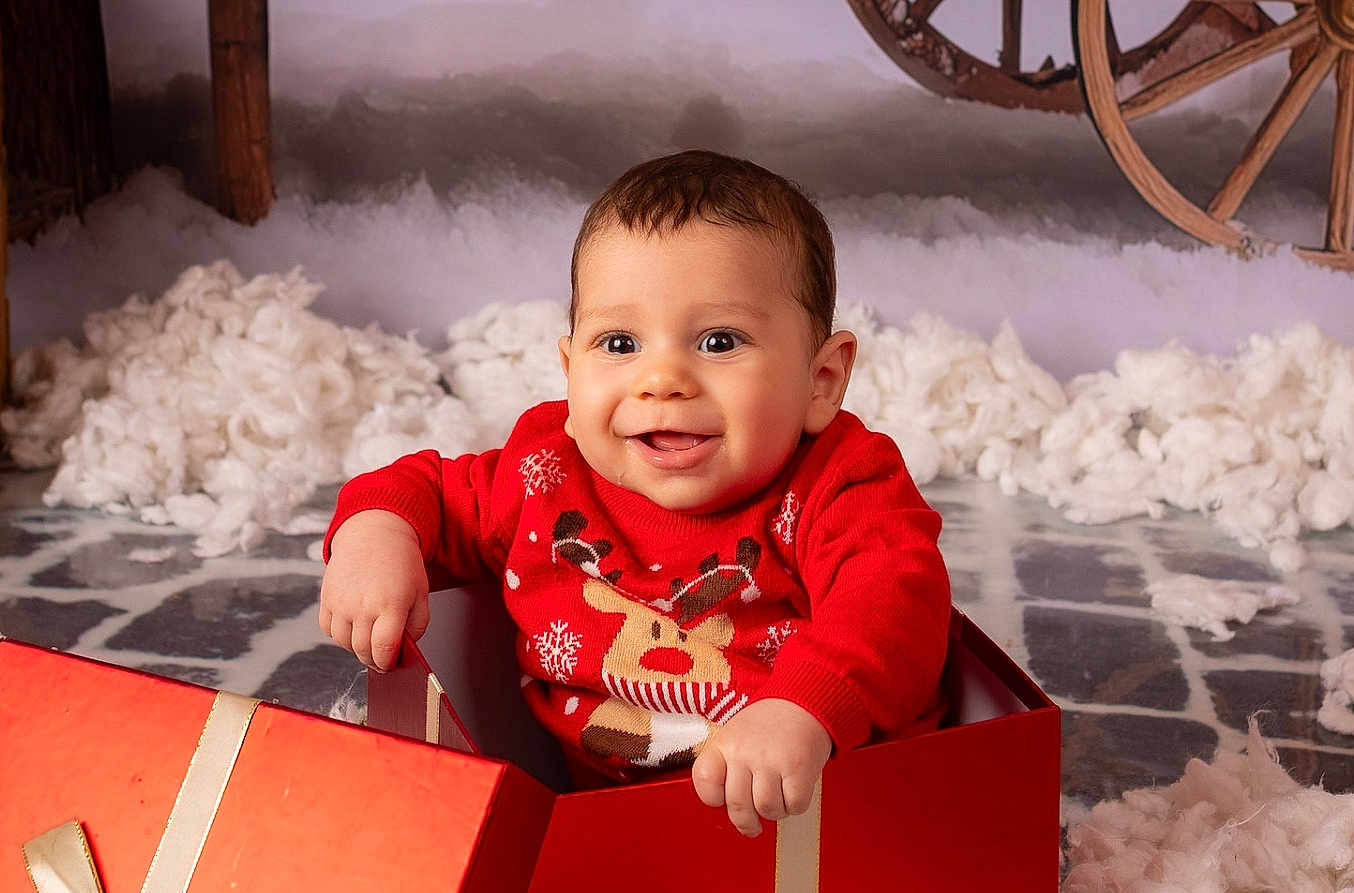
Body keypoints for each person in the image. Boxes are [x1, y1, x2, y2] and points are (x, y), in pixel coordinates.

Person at [319, 150, 951, 837]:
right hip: (608, 820)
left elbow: (893, 596)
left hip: (820, 818)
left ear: (821, 380)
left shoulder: (841, 481)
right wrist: (375, 534)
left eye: (718, 340)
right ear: (570, 369)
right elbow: (426, 491)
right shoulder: (546, 472)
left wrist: (804, 707)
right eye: (619, 343)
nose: (662, 379)